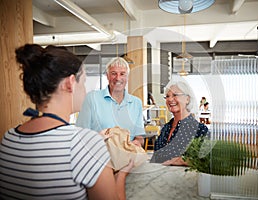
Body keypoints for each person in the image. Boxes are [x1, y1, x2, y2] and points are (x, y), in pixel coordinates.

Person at [0, 44, 133, 200]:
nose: (85, 90)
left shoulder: (8, 138)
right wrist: (122, 173)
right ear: (70, 83)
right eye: (83, 82)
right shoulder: (85, 144)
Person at [76, 57, 145, 147]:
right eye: (113, 74)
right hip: (99, 158)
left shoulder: (136, 103)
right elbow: (80, 134)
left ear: (127, 77)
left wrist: (138, 142)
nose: (118, 78)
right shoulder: (91, 99)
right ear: (107, 76)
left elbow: (139, 137)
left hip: (127, 160)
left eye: (122, 74)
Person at [150, 78, 208, 165]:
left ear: (187, 99)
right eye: (167, 96)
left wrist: (182, 160)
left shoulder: (200, 129)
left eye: (175, 95)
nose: (170, 99)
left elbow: (206, 162)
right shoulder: (165, 128)